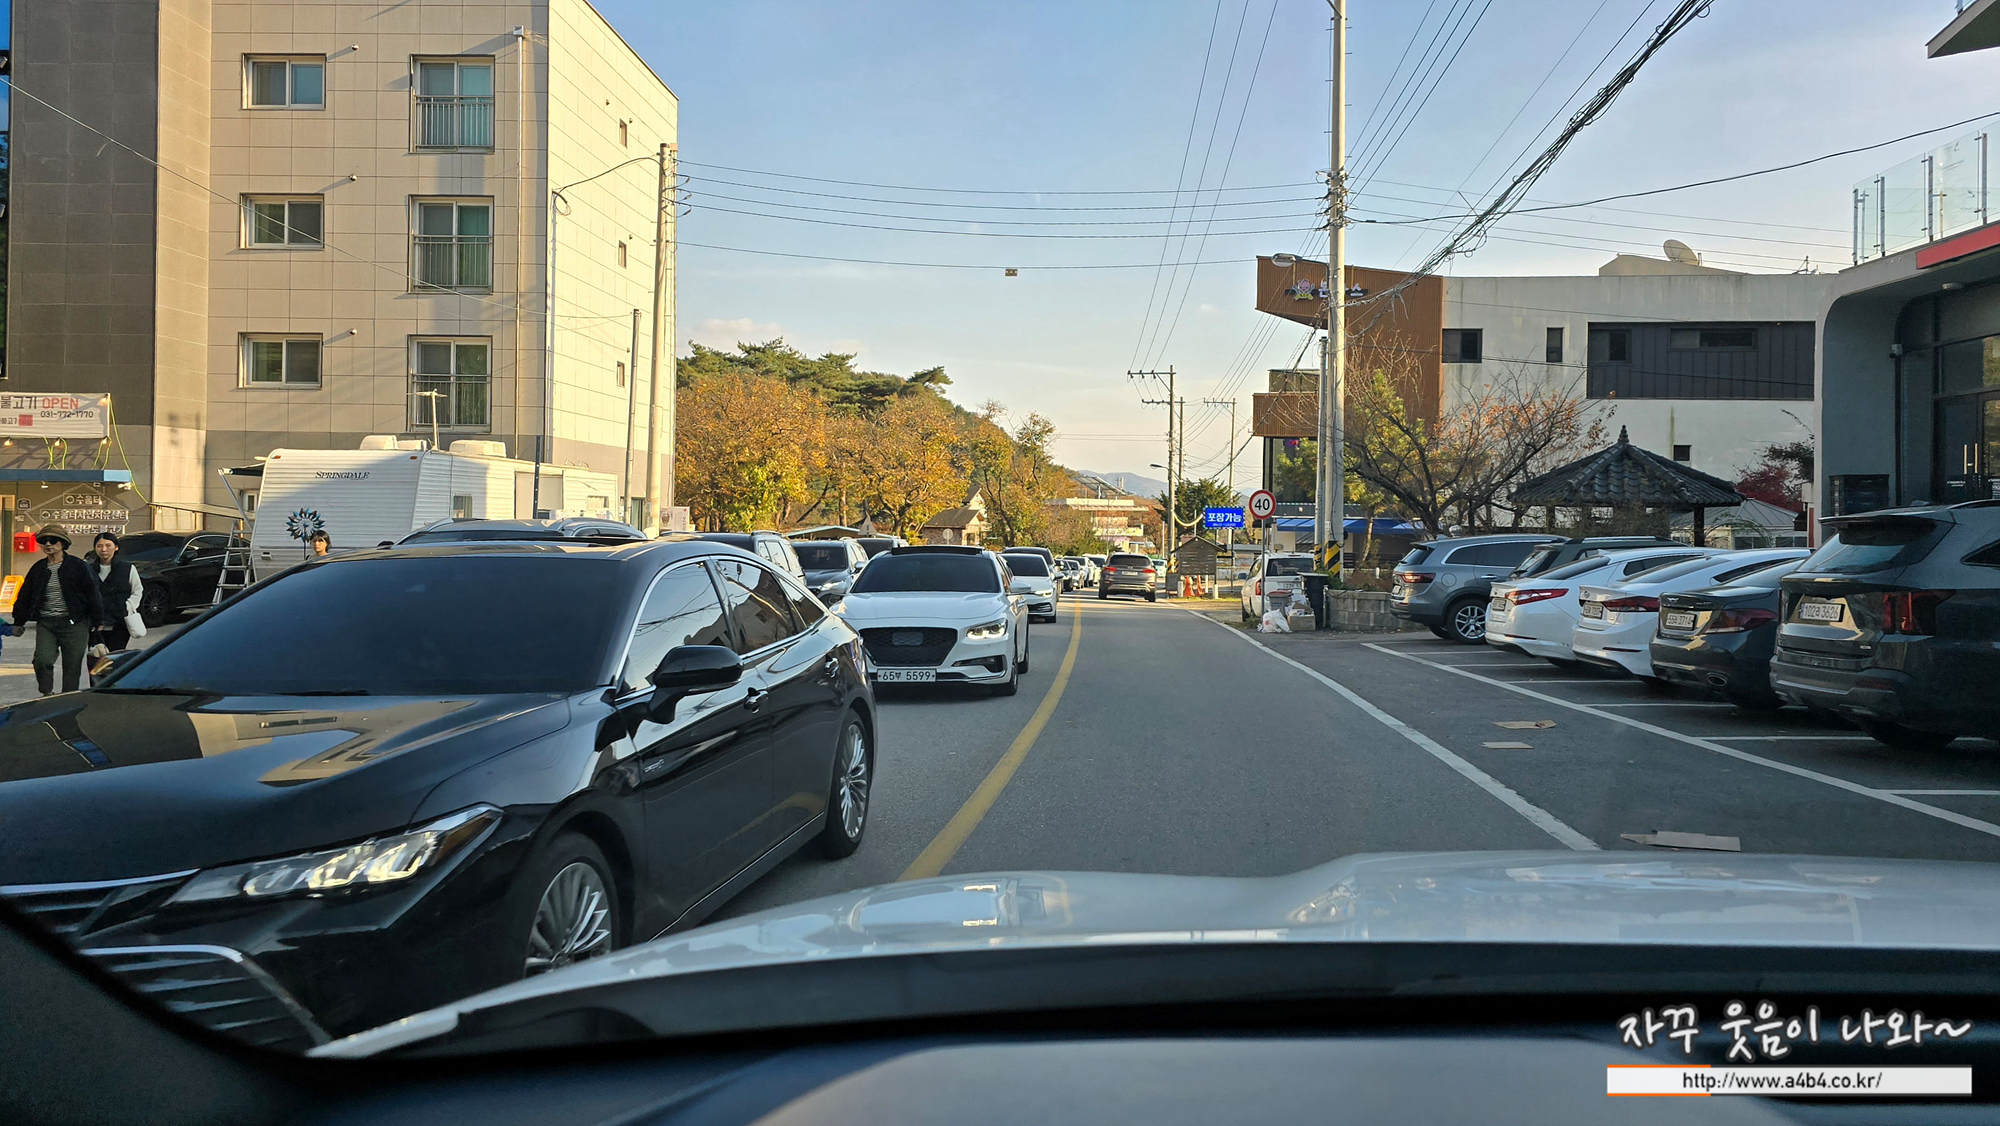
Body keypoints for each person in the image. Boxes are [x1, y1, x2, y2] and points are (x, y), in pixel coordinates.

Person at [13, 524, 107, 695]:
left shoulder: (78, 566)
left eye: (53, 540)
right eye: (44, 541)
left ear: (63, 543)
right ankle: (47, 693)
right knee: (42, 660)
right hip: (47, 623)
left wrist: (98, 620)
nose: (48, 544)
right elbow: (25, 595)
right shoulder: (38, 568)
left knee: (72, 667)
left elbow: (93, 593)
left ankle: (67, 699)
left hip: (75, 624)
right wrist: (18, 621)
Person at [88, 532, 147, 655]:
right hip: (95, 623)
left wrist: (128, 606)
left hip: (119, 622)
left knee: (116, 655)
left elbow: (137, 590)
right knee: (96, 657)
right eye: (99, 546)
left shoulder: (127, 568)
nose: (104, 549)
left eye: (108, 545)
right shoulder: (88, 569)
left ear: (116, 547)